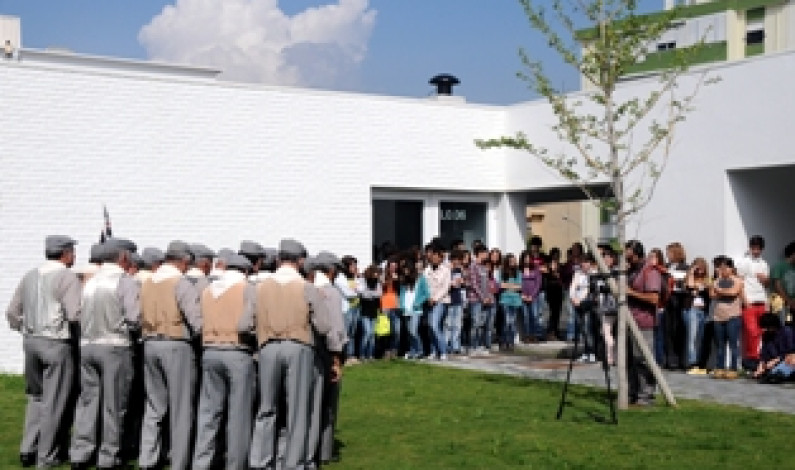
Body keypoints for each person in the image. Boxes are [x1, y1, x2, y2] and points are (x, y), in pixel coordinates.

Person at [245, 239, 332, 470]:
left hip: (268, 347)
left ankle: (260, 462)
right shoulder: (306, 287)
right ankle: (293, 463)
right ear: (300, 261)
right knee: (297, 410)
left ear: (278, 259)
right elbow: (324, 326)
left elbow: (245, 324)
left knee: (267, 408)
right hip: (298, 346)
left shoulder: (259, 287)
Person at [6, 235, 81, 468]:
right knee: (54, 401)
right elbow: (74, 315)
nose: (74, 256)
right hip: (56, 343)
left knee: (35, 398)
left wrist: (26, 330)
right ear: (65, 253)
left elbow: (11, 312)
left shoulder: (29, 275)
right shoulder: (67, 277)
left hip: (31, 342)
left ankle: (28, 449)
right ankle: (46, 455)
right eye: (72, 251)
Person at [69, 238, 140, 470]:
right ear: (122, 257)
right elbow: (133, 317)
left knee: (88, 401)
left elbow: (78, 313)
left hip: (88, 344)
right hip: (115, 346)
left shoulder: (90, 281)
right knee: (114, 404)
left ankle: (81, 454)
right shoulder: (124, 281)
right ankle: (109, 457)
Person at [138, 240, 203, 470]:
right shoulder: (180, 283)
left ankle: (147, 459)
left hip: (150, 343)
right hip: (176, 344)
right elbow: (196, 320)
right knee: (181, 407)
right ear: (184, 261)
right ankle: (179, 461)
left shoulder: (147, 282)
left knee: (154, 406)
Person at [191, 254, 255, 470]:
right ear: (245, 271)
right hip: (237, 351)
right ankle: (235, 463)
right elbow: (249, 322)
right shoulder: (247, 289)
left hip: (210, 350)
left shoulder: (208, 290)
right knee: (239, 414)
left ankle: (201, 462)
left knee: (208, 412)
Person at [308, 251, 347, 466]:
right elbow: (335, 328)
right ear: (331, 270)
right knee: (326, 405)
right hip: (325, 352)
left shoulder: (306, 287)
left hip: (307, 351)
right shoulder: (330, 293)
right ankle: (321, 450)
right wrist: (336, 359)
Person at [625, 240, 660, 406]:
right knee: (629, 359)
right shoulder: (630, 271)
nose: (625, 255)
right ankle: (633, 393)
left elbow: (654, 298)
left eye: (628, 252)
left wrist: (631, 292)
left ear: (635, 252)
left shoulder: (650, 272)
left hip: (643, 321)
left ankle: (646, 395)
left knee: (643, 359)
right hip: (628, 320)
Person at [737, 235, 770, 370]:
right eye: (753, 248)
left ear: (762, 249)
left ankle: (759, 358)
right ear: (750, 248)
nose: (755, 251)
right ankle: (751, 358)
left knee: (762, 331)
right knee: (751, 331)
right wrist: (745, 300)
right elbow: (739, 282)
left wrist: (765, 280)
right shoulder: (744, 262)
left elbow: (768, 284)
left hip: (761, 300)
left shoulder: (764, 263)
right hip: (749, 301)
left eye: (758, 248)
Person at [711, 257, 744, 380]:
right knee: (720, 344)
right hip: (718, 316)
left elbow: (733, 292)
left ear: (731, 268)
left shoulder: (737, 280)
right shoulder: (716, 280)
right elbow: (712, 294)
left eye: (726, 267)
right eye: (721, 268)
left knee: (733, 344)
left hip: (733, 315)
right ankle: (720, 367)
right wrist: (722, 290)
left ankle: (733, 368)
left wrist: (719, 291)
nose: (723, 270)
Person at [684, 257, 711, 375]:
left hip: (703, 311)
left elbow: (709, 288)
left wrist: (698, 288)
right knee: (692, 337)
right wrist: (691, 271)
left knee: (701, 338)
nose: (700, 270)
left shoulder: (707, 279)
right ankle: (692, 362)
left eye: (702, 267)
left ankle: (700, 363)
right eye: (697, 267)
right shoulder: (689, 278)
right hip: (692, 310)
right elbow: (689, 285)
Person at [570, 253, 598, 363]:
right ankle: (585, 352)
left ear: (590, 263)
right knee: (582, 329)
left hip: (587, 305)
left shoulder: (593, 274)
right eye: (582, 262)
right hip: (577, 304)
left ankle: (592, 352)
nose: (583, 264)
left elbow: (590, 290)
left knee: (588, 329)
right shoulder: (578, 274)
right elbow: (573, 287)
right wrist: (573, 298)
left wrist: (581, 300)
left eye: (586, 262)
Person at [664, 242, 688, 370]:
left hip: (680, 301)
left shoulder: (685, 267)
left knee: (679, 330)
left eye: (669, 252)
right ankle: (670, 359)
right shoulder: (666, 267)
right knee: (668, 331)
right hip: (668, 302)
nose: (667, 255)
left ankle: (681, 360)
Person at [426, 244, 452, 360]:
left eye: (437, 257)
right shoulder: (427, 270)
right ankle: (433, 351)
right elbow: (424, 286)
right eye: (433, 256)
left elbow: (445, 288)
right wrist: (427, 298)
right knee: (431, 327)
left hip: (441, 301)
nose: (434, 259)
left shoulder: (446, 270)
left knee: (434, 325)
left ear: (441, 258)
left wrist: (435, 298)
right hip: (428, 301)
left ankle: (443, 351)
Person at [400, 261, 430, 359]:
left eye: (406, 269)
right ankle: (413, 351)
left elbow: (426, 294)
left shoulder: (420, 279)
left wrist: (418, 302)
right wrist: (401, 305)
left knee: (413, 331)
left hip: (416, 309)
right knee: (409, 332)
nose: (405, 271)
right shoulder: (404, 280)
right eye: (404, 270)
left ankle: (420, 350)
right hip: (406, 309)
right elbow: (401, 295)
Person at [467, 245, 493, 355]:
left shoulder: (483, 267)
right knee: (475, 323)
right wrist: (483, 298)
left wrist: (488, 297)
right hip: (476, 300)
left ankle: (479, 345)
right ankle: (472, 346)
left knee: (481, 324)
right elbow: (474, 284)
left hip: (485, 300)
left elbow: (486, 284)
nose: (487, 255)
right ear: (480, 253)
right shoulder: (473, 266)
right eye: (485, 253)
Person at [335, 256, 361, 363]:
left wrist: (356, 287)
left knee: (352, 333)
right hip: (346, 309)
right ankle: (343, 356)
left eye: (355, 265)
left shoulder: (355, 278)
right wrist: (356, 291)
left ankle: (351, 355)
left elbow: (361, 289)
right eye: (352, 265)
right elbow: (349, 293)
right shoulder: (340, 278)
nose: (355, 267)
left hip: (356, 307)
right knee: (345, 333)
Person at [357, 265, 382, 361]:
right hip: (365, 311)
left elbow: (379, 293)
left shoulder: (377, 282)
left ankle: (370, 354)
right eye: (375, 273)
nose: (377, 275)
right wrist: (372, 294)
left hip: (374, 310)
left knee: (372, 334)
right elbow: (363, 293)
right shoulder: (363, 281)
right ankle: (362, 354)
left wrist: (370, 294)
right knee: (367, 333)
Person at [519, 250, 542, 343]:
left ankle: (535, 335)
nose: (527, 260)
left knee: (535, 316)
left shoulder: (536, 269)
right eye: (525, 258)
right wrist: (522, 295)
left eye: (529, 258)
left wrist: (532, 296)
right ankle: (527, 335)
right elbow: (517, 283)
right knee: (525, 317)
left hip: (534, 296)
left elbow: (538, 283)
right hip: (523, 296)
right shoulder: (519, 269)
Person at [499, 254, 522, 351]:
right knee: (506, 322)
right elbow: (501, 285)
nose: (513, 262)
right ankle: (504, 341)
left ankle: (511, 342)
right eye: (511, 260)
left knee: (512, 323)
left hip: (515, 300)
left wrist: (508, 285)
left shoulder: (518, 272)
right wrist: (513, 286)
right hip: (505, 300)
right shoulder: (502, 272)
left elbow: (520, 286)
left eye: (514, 260)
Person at [380, 257, 401, 359]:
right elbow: (381, 288)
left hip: (396, 305)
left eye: (395, 266)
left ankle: (394, 349)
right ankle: (386, 351)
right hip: (385, 305)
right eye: (391, 266)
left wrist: (397, 280)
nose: (393, 268)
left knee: (396, 330)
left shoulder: (399, 276)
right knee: (386, 330)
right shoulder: (383, 276)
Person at [445, 250, 465, 354]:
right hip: (449, 300)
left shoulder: (459, 270)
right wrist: (451, 282)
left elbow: (461, 284)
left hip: (458, 299)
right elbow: (444, 284)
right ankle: (446, 345)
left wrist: (462, 282)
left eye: (459, 260)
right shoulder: (446, 269)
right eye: (455, 259)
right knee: (448, 324)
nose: (457, 262)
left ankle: (455, 346)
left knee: (457, 324)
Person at [771, 241, 795, 326]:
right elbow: (777, 285)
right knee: (783, 326)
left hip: (791, 302)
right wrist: (788, 300)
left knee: (790, 325)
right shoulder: (779, 266)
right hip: (779, 301)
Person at [544, 250, 565, 341]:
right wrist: (551, 270)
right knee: (551, 312)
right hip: (550, 290)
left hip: (558, 290)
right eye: (554, 255)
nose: (556, 257)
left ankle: (556, 331)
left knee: (557, 312)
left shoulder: (561, 266)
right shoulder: (547, 265)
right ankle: (550, 332)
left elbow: (562, 277)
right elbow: (546, 276)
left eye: (558, 255)